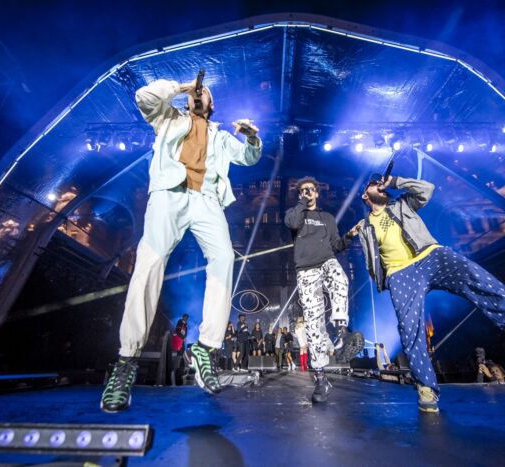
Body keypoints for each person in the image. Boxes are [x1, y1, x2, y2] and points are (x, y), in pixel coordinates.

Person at [100, 74, 262, 413]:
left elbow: (248, 158)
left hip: (207, 200)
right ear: (188, 99)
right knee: (149, 262)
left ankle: (206, 347)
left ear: (212, 104)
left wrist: (251, 138)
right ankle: (126, 361)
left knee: (224, 258)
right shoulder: (168, 118)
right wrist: (181, 87)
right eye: (195, 93)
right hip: (169, 196)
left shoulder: (221, 136)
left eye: (205, 93)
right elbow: (144, 96)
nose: (199, 94)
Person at [354, 172, 505, 413]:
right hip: (400, 273)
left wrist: (396, 181)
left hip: (431, 255)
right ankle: (426, 387)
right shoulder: (365, 226)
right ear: (365, 195)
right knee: (410, 328)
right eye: (373, 184)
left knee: (477, 278)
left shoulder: (402, 204)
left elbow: (427, 189)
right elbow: (367, 256)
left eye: (381, 182)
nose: (379, 184)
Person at [284, 176, 359, 403]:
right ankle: (320, 378)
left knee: (340, 279)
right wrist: (302, 203)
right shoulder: (295, 213)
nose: (307, 192)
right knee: (313, 322)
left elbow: (336, 245)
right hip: (305, 269)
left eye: (310, 189)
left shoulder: (327, 218)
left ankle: (341, 333)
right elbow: (292, 224)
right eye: (303, 190)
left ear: (317, 193)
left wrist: (350, 235)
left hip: (326, 260)